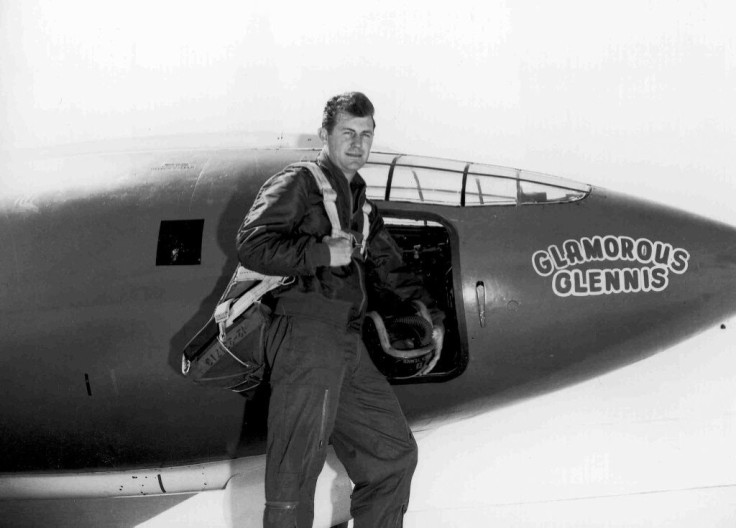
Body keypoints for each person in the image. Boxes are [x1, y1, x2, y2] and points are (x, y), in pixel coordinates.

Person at [236, 92, 444, 528]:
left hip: (346, 343)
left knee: (392, 455)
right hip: (304, 333)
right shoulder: (300, 182)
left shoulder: (359, 203)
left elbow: (392, 270)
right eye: (348, 133)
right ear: (325, 135)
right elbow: (252, 245)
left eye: (366, 135)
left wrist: (431, 316)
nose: (357, 143)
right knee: (295, 472)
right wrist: (319, 254)